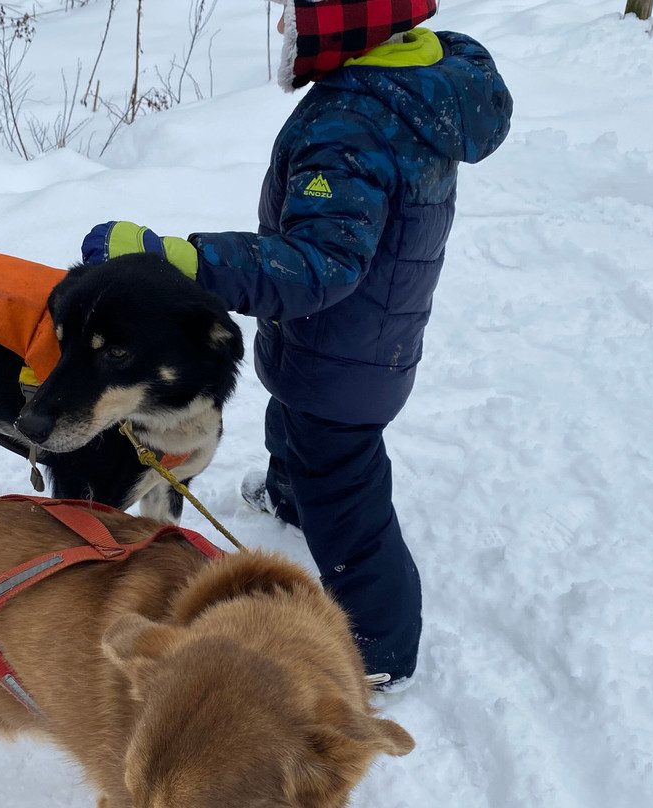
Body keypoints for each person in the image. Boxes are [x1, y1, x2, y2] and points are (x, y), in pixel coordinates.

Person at [81, 0, 513, 690]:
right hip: (366, 340)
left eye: (296, 19)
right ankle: (288, 496)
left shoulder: (351, 126)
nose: (284, 33)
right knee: (295, 426)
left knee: (345, 493)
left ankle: (378, 647)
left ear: (343, 25)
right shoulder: (419, 83)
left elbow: (314, 265)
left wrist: (178, 263)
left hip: (343, 357)